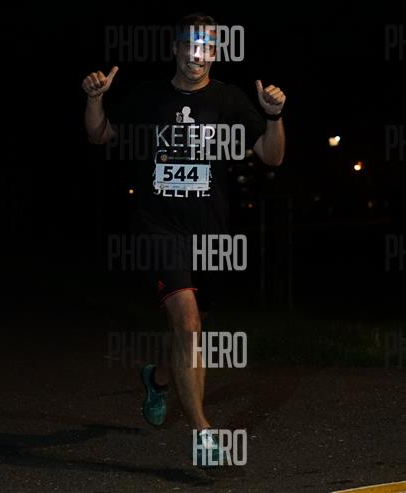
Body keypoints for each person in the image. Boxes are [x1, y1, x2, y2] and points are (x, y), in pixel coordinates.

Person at [82, 13, 285, 467]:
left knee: (190, 331)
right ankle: (203, 434)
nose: (198, 54)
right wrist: (95, 100)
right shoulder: (149, 96)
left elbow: (272, 157)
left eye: (208, 46)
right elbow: (100, 135)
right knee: (189, 325)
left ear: (216, 53)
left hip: (209, 233)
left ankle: (156, 378)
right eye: (191, 44)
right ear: (175, 48)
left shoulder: (229, 99)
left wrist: (273, 116)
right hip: (157, 226)